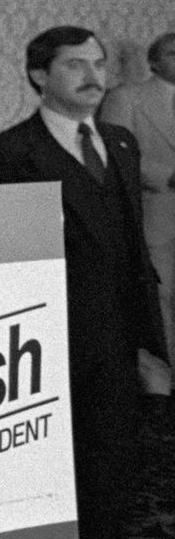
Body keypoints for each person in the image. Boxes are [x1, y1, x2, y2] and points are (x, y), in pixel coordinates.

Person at [0, 26, 168, 539]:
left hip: (125, 346)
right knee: (68, 480)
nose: (93, 77)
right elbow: (1, 269)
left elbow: (133, 250)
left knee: (120, 476)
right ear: (39, 75)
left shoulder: (121, 144)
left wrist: (153, 346)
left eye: (99, 65)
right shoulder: (5, 155)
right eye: (75, 65)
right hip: (57, 348)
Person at [101, 31, 175, 379]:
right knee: (162, 296)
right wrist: (167, 176)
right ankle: (167, 377)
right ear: (154, 62)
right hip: (157, 211)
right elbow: (116, 153)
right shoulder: (127, 98)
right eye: (173, 53)